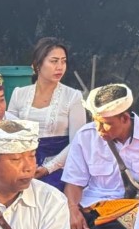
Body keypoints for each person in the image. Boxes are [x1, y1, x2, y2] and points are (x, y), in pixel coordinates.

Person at [62, 84, 139, 229]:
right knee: (64, 224)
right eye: (95, 121)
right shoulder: (85, 136)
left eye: (105, 124)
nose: (98, 129)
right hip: (98, 211)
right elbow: (74, 183)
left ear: (125, 118)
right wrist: (72, 211)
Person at [7, 37, 86, 189]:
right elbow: (10, 134)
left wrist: (48, 168)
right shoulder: (19, 94)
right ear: (37, 65)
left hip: (60, 166)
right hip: (22, 163)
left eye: (63, 61)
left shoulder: (73, 96)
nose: (60, 67)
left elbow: (77, 141)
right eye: (54, 61)